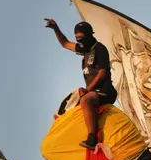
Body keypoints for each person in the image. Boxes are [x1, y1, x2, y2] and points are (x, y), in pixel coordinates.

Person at [44, 18, 118, 149]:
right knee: (68, 104)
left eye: (80, 34)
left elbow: (102, 74)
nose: (77, 37)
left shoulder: (99, 49)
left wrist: (87, 90)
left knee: (85, 100)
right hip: (93, 91)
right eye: (76, 35)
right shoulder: (85, 50)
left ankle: (92, 138)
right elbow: (65, 44)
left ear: (89, 34)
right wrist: (56, 29)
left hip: (105, 91)